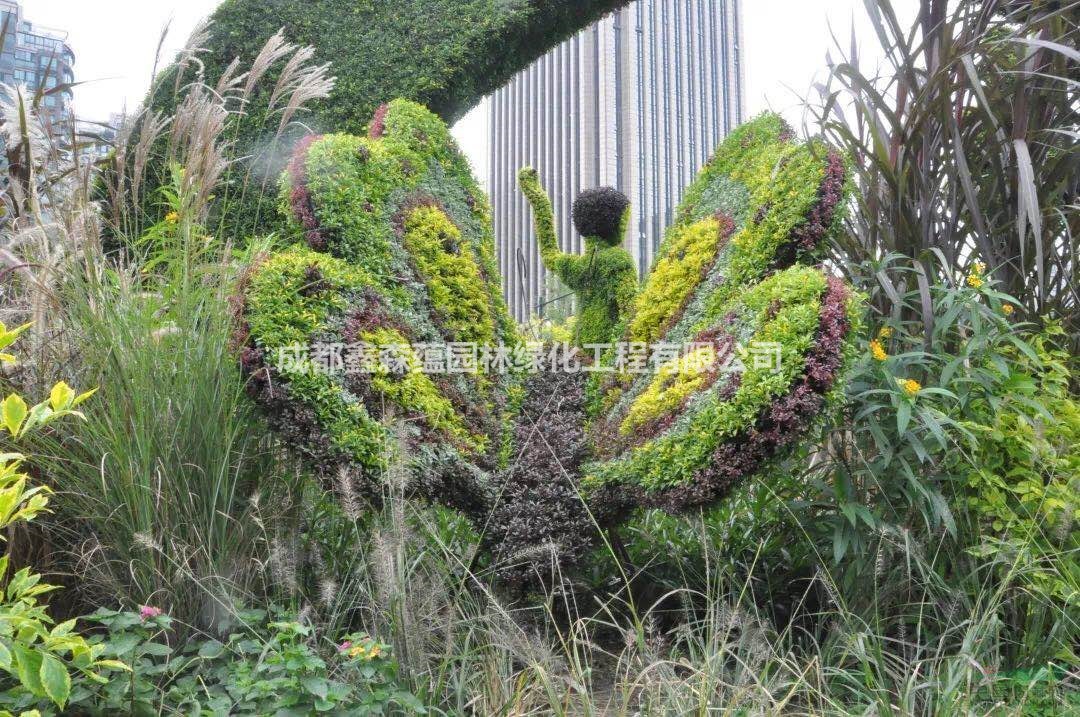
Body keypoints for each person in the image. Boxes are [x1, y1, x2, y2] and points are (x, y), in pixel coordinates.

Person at [518, 167, 638, 347]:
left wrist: (538, 199)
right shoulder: (619, 260)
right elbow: (632, 311)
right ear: (616, 223)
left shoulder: (576, 266)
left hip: (578, 346)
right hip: (605, 348)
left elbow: (549, 253)